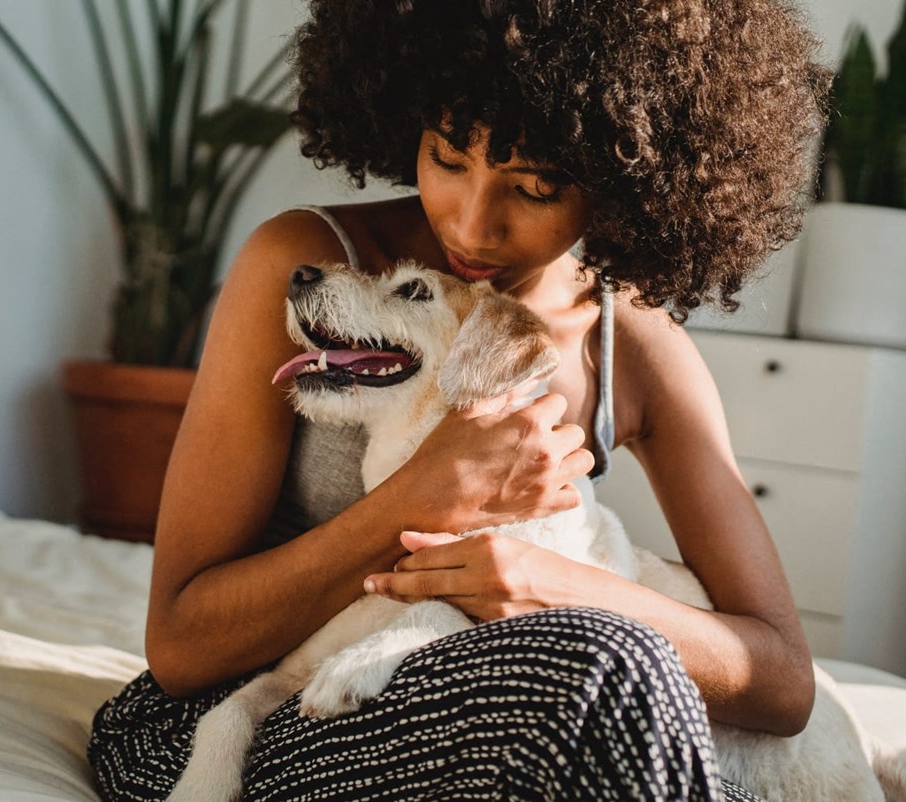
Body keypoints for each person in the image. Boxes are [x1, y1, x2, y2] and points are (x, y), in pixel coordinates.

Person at [88, 1, 830, 799]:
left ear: (624, 185)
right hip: (247, 722)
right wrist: (424, 496)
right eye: (446, 157)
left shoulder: (630, 345)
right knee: (602, 680)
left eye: (536, 187)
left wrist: (551, 587)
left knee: (615, 669)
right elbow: (181, 646)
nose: (471, 225)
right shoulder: (311, 271)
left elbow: (782, 683)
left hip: (510, 714)